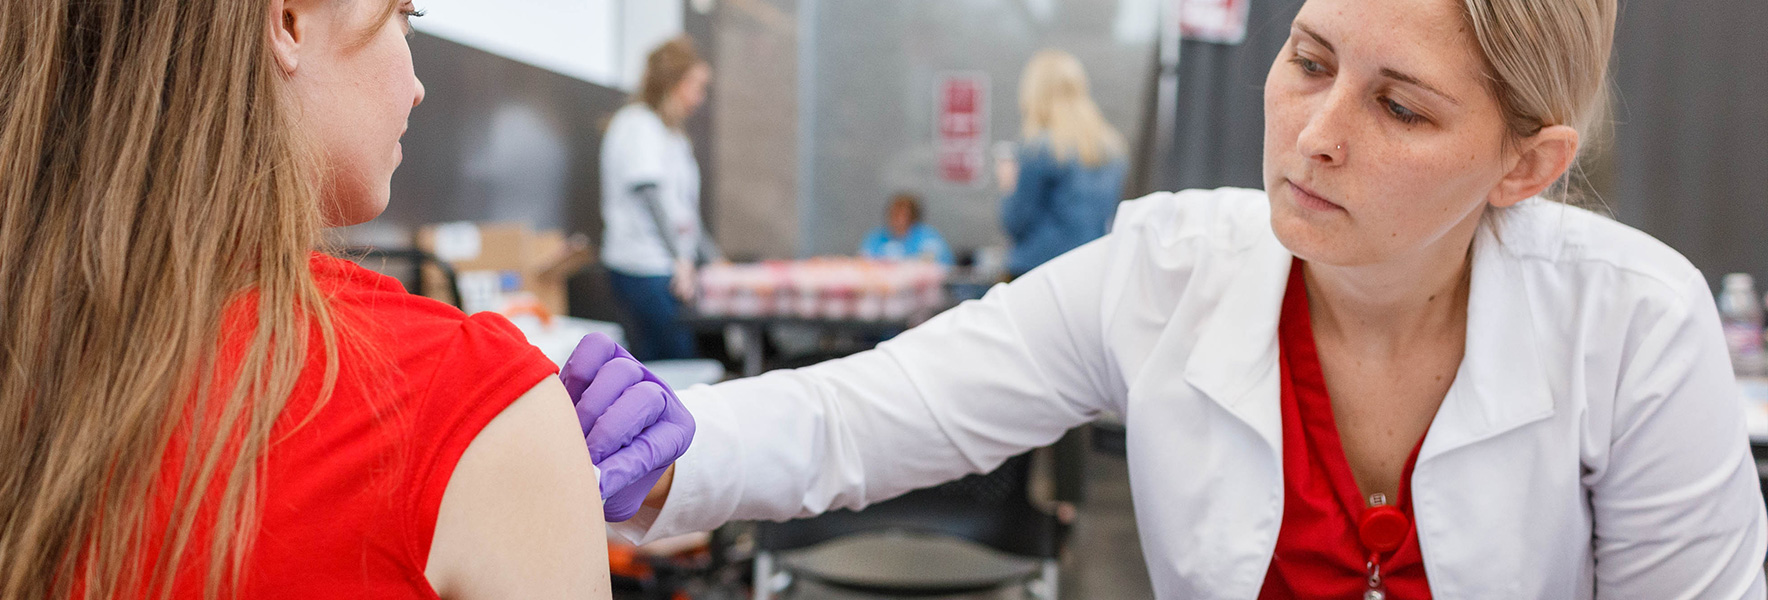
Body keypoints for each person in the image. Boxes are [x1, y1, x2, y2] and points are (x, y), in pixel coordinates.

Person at [570, 0, 1768, 596]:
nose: (1316, 133)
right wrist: (670, 450)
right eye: (1308, 61)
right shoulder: (1167, 269)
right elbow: (867, 415)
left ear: (1525, 165)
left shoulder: (1635, 327)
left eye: (1401, 107)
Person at [0, 1, 621, 598]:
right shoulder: (469, 405)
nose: (418, 86)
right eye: (404, 14)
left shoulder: (0, 346)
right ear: (286, 21)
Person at [600, 36, 721, 362]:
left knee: (671, 360)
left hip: (665, 266)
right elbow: (650, 195)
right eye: (696, 86)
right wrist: (680, 259)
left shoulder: (673, 136)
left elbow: (683, 211)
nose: (700, 97)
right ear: (674, 83)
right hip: (643, 267)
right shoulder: (638, 125)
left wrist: (712, 258)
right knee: (673, 360)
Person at [997, 49, 1129, 279]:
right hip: (1090, 270)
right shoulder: (1111, 149)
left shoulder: (1038, 148)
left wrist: (1008, 184)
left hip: (1038, 272)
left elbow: (1015, 222)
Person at [859, 193, 955, 265]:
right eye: (894, 214)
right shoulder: (876, 237)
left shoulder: (929, 239)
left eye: (903, 215)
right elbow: (863, 263)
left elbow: (941, 266)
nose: (897, 219)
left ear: (913, 217)